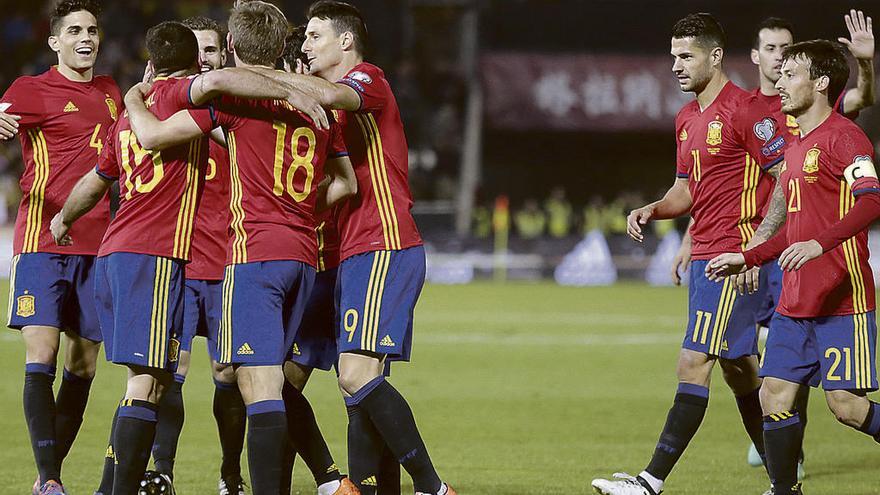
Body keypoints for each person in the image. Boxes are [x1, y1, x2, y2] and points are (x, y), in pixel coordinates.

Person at [51, 19, 312, 494]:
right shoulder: (187, 99)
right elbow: (218, 91)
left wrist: (63, 218)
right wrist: (292, 87)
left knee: (155, 377)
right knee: (149, 382)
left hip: (125, 254)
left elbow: (96, 180)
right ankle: (126, 485)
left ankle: (123, 484)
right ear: (195, 64)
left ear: (149, 64)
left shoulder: (131, 112)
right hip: (152, 257)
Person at [121, 3, 358, 493]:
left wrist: (133, 96)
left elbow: (150, 135)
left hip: (254, 258)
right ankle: (320, 479)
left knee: (259, 388)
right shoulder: (317, 108)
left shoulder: (234, 103)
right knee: (269, 382)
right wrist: (299, 217)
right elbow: (344, 183)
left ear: (231, 46)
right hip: (302, 256)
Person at [252, 2, 457, 493]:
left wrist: (271, 79)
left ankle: (432, 488)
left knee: (356, 374)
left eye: (315, 36)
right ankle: (361, 486)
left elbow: (332, 95)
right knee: (298, 380)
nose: (305, 45)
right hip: (338, 255)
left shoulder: (368, 81)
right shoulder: (324, 104)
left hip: (382, 244)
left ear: (345, 41)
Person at [592, 13, 788, 495]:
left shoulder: (746, 110)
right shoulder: (687, 118)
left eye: (687, 56)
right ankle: (785, 482)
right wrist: (654, 209)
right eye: (673, 56)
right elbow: (687, 190)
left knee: (692, 361)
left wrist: (756, 248)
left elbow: (787, 177)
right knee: (740, 371)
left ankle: (650, 481)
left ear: (715, 57)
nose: (676, 66)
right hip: (705, 256)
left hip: (732, 260)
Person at [706, 39, 880, 495]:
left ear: (820, 83)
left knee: (845, 407)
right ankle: (784, 490)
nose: (779, 83)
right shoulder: (798, 147)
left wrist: (819, 246)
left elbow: (871, 202)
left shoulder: (845, 137)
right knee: (774, 395)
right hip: (795, 301)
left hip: (843, 300)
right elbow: (793, 231)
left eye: (790, 74)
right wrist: (747, 255)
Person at [0, 1, 121, 493]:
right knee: (41, 355)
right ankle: (51, 480)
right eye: (74, 30)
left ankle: (46, 475)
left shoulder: (113, 93)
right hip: (42, 240)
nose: (85, 37)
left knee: (83, 363)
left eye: (92, 29)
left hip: (98, 246)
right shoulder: (30, 89)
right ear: (55, 41)